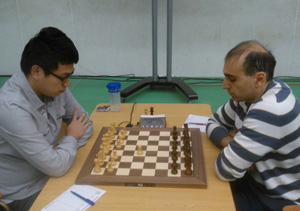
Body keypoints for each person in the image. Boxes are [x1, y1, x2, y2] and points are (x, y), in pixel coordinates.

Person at [0, 27, 93, 211]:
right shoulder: (10, 108)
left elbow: (86, 124)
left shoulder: (55, 89)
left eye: (70, 76)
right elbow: (56, 165)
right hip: (24, 193)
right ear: (36, 71)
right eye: (63, 77)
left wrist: (58, 153)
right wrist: (71, 138)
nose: (68, 84)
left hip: (53, 175)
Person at [206, 40, 300, 210]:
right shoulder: (252, 94)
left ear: (259, 79)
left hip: (274, 200)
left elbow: (224, 169)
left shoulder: (271, 111)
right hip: (254, 182)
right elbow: (213, 122)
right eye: (226, 77)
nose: (224, 85)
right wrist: (230, 143)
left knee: (203, 203)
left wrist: (234, 154)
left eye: (232, 79)